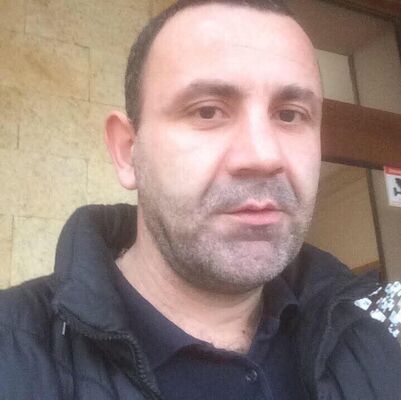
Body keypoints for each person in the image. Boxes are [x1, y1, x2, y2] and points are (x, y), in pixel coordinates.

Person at [0, 0, 400, 399]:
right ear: (127, 151)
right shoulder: (12, 350)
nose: (263, 156)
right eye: (208, 111)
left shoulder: (375, 343)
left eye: (290, 114)